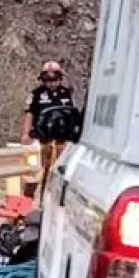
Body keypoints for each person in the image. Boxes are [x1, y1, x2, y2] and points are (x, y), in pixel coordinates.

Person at [20, 60, 82, 200]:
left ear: (60, 79)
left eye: (54, 80)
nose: (51, 83)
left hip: (61, 140)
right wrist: (25, 134)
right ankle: (27, 198)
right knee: (34, 171)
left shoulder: (67, 94)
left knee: (57, 172)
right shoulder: (36, 94)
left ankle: (50, 199)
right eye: (47, 80)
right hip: (41, 138)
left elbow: (73, 115)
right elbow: (29, 113)